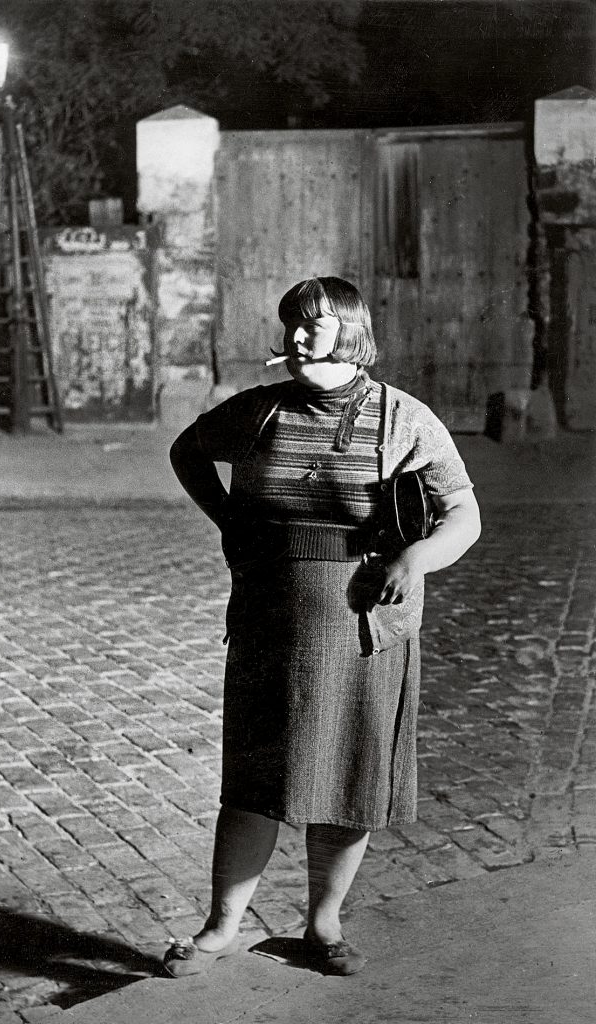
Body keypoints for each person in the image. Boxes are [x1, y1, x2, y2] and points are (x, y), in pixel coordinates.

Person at [164, 276, 481, 979]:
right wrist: (230, 520)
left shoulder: (404, 418)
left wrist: (416, 557)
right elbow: (188, 451)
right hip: (270, 616)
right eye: (292, 324)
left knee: (350, 777)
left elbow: (464, 514)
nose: (298, 336)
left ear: (353, 333)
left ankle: (323, 924)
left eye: (314, 323)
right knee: (254, 781)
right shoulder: (259, 412)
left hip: (363, 622)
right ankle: (220, 929)